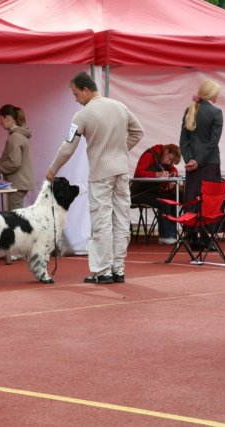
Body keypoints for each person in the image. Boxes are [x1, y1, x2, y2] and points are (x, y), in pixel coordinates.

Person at [46, 71, 144, 285]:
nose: (76, 99)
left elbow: (67, 147)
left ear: (86, 90)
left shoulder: (83, 115)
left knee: (101, 223)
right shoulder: (120, 106)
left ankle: (103, 271)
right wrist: (121, 151)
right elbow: (138, 132)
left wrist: (53, 169)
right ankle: (118, 269)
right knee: (120, 220)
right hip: (121, 171)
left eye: (76, 94)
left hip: (100, 174)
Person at [179, 79, 223, 248]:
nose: (218, 95)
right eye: (217, 92)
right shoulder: (216, 113)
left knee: (192, 198)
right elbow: (213, 143)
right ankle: (207, 237)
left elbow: (183, 141)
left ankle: (191, 236)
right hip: (209, 163)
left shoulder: (189, 111)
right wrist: (199, 161)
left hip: (192, 165)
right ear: (211, 94)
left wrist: (190, 160)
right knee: (209, 199)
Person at [131, 144, 182, 245]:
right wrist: (157, 174)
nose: (170, 163)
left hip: (152, 191)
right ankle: (165, 236)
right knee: (163, 202)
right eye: (170, 159)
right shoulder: (149, 154)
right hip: (138, 192)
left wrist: (173, 174)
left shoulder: (164, 157)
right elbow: (138, 173)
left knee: (171, 200)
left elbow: (173, 169)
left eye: (172, 162)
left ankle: (172, 234)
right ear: (167, 151)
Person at [0, 104, 35, 211]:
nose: (0, 123)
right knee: (15, 216)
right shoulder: (20, 135)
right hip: (20, 182)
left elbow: (14, 162)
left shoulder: (15, 137)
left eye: (1, 119)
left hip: (17, 184)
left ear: (8, 118)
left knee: (14, 219)